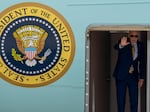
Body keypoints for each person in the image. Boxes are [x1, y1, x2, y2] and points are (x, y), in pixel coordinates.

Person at [113, 31, 145, 112]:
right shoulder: (124, 42)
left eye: (136, 36)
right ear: (128, 35)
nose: (134, 38)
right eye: (132, 36)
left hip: (133, 77)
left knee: (134, 101)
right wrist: (121, 45)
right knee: (121, 101)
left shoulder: (140, 45)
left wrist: (142, 77)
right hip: (121, 76)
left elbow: (142, 62)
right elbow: (116, 47)